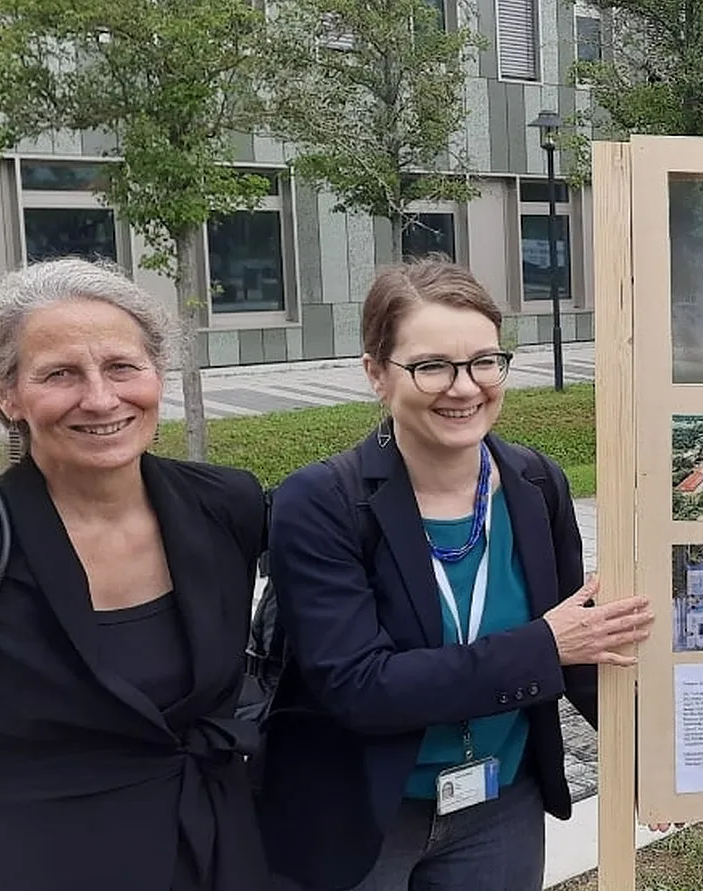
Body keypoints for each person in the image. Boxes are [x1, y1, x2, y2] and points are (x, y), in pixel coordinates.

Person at [254, 256, 655, 891]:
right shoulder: (320, 502)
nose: (464, 387)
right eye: (432, 366)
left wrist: (645, 760)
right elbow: (361, 687)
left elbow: (583, 646)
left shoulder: (534, 482)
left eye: (484, 361)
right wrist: (543, 646)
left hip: (501, 808)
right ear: (376, 374)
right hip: (361, 816)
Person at [0, 259, 270, 890]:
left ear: (157, 372)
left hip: (213, 851)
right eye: (60, 373)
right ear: (5, 393)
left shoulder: (227, 505)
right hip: (29, 866)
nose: (99, 398)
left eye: (122, 366)